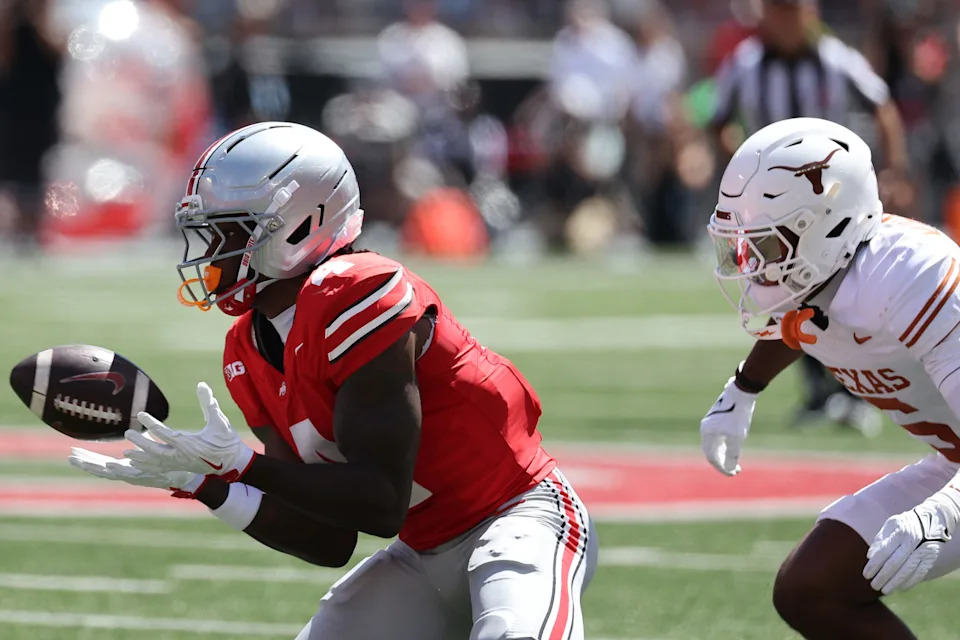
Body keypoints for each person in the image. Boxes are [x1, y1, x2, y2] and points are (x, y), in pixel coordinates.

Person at [68, 122, 597, 639]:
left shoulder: (357, 292)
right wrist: (205, 484)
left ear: (299, 224)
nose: (208, 253)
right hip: (422, 553)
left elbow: (381, 502)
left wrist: (245, 466)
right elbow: (327, 538)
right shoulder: (246, 348)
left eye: (228, 230)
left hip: (517, 517)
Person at [701, 116, 960, 638]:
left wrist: (946, 511)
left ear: (827, 227)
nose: (752, 270)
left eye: (766, 249)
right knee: (812, 588)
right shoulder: (820, 275)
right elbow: (797, 323)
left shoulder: (910, 278)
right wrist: (743, 389)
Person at [710, 0, 911, 434]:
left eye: (791, 9)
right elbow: (716, 119)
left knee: (843, 286)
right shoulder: (745, 64)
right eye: (777, 9)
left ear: (809, 13)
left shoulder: (838, 59)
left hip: (830, 200)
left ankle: (853, 391)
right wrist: (743, 178)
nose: (784, 19)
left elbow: (884, 108)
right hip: (773, 207)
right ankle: (820, 392)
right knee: (784, 290)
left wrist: (895, 171)